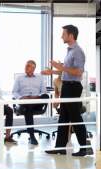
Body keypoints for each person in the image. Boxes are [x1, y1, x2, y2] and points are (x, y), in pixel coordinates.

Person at [41, 24, 93, 156]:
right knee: (63, 117)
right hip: (67, 86)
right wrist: (52, 71)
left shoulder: (78, 51)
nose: (61, 36)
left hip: (73, 87)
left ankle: (85, 148)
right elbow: (67, 70)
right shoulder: (70, 51)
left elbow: (78, 72)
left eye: (63, 34)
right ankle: (60, 147)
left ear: (71, 35)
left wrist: (61, 67)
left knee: (75, 117)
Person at [12, 60, 49, 145]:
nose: (26, 67)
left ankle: (31, 135)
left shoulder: (39, 78)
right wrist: (21, 97)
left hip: (37, 102)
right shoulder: (19, 78)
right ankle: (32, 136)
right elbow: (14, 92)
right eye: (26, 65)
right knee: (28, 106)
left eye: (28, 66)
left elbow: (44, 92)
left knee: (45, 96)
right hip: (25, 103)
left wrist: (36, 97)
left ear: (33, 68)